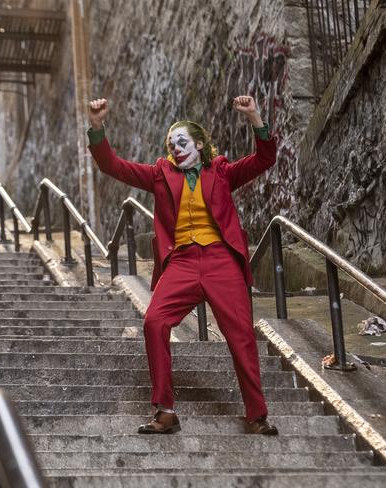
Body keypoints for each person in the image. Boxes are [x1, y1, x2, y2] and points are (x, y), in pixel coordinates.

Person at [87, 96, 279, 435]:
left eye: (182, 142)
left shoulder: (220, 171)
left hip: (221, 261)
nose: (176, 148)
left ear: (200, 144)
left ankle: (256, 414)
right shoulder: (161, 174)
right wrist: (98, 127)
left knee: (241, 335)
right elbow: (112, 166)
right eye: (171, 144)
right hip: (182, 263)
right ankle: (166, 411)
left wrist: (255, 117)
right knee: (154, 322)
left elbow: (264, 158)